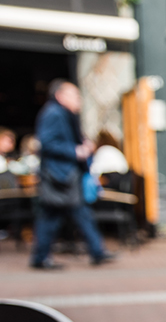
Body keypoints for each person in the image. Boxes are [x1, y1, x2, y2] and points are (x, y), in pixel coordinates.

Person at [29, 79, 115, 270]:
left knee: (70, 214)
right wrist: (77, 151)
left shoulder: (62, 114)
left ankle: (95, 251)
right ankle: (43, 257)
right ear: (60, 96)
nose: (79, 100)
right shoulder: (54, 113)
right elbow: (47, 143)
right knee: (58, 216)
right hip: (60, 177)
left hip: (64, 176)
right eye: (75, 95)